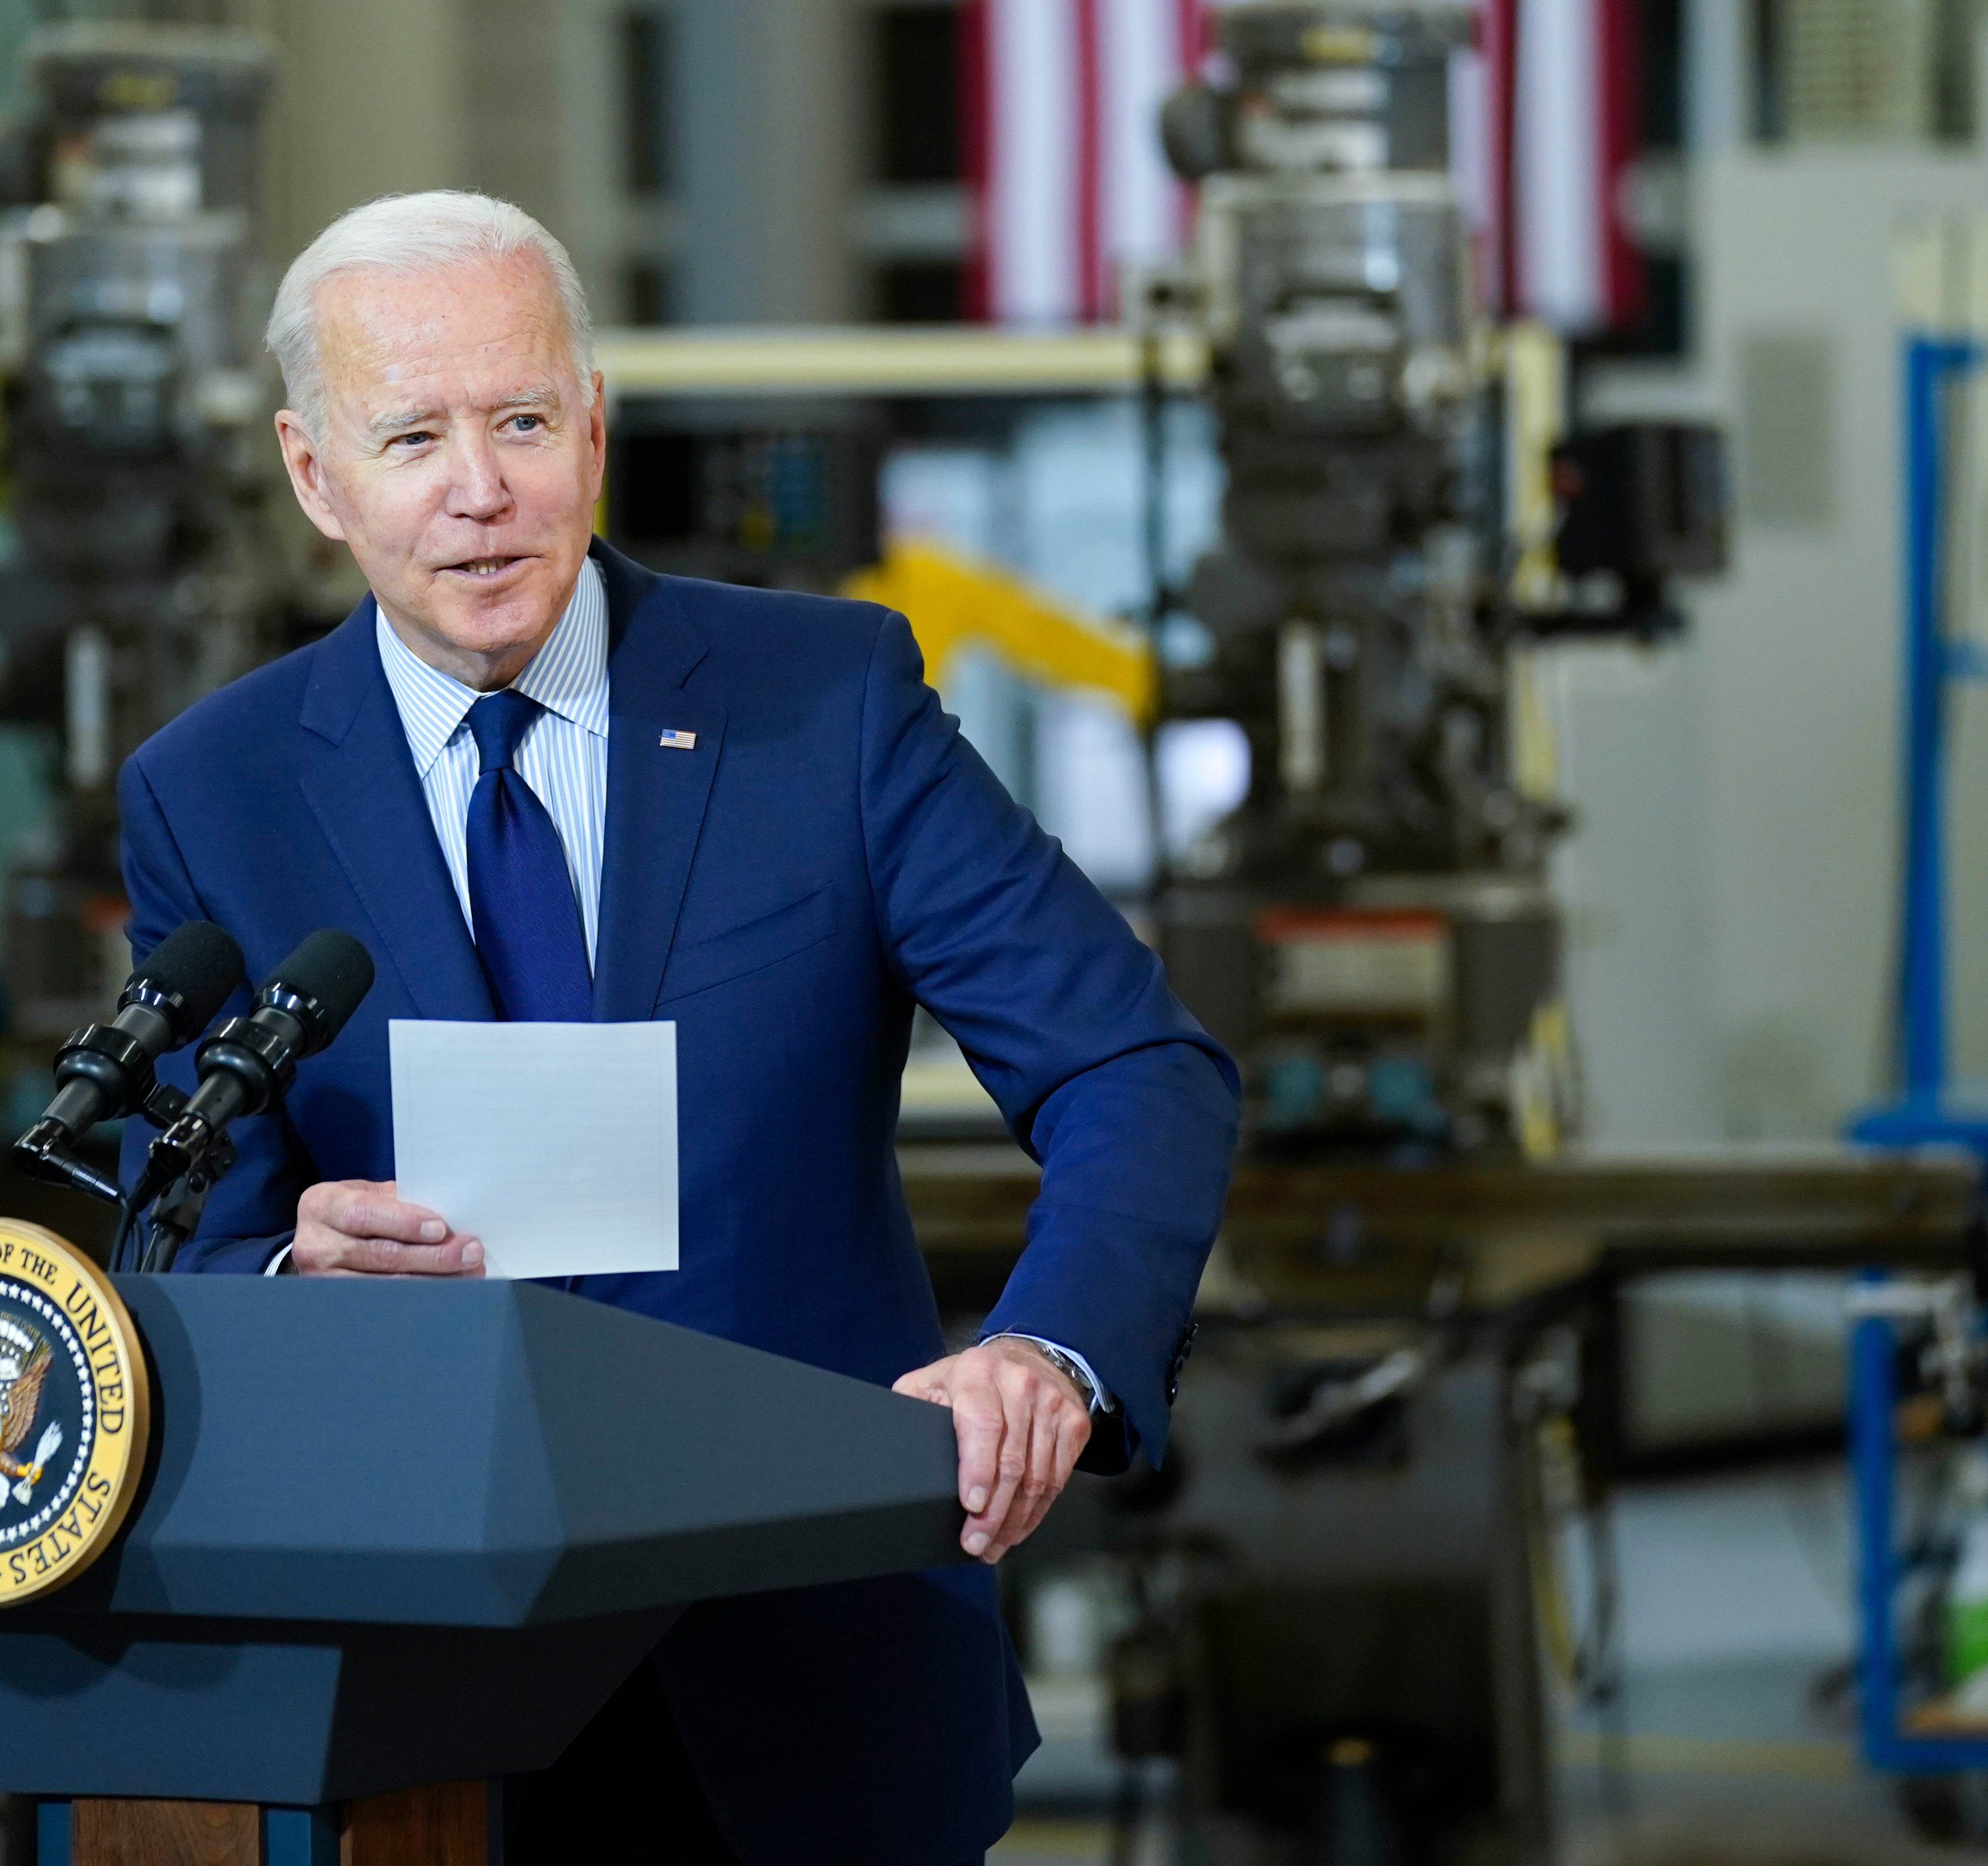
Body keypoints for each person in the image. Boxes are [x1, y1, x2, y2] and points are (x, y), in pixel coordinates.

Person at [118, 189, 1238, 1865]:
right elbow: (171, 1236)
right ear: (312, 476)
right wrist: (289, 1286)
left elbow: (1132, 1067)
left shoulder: (826, 703)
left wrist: (1048, 1352)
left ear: (593, 424)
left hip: (809, 1676)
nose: (479, 489)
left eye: (519, 421)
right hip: (413, 1696)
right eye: (412, 435)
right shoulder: (211, 791)